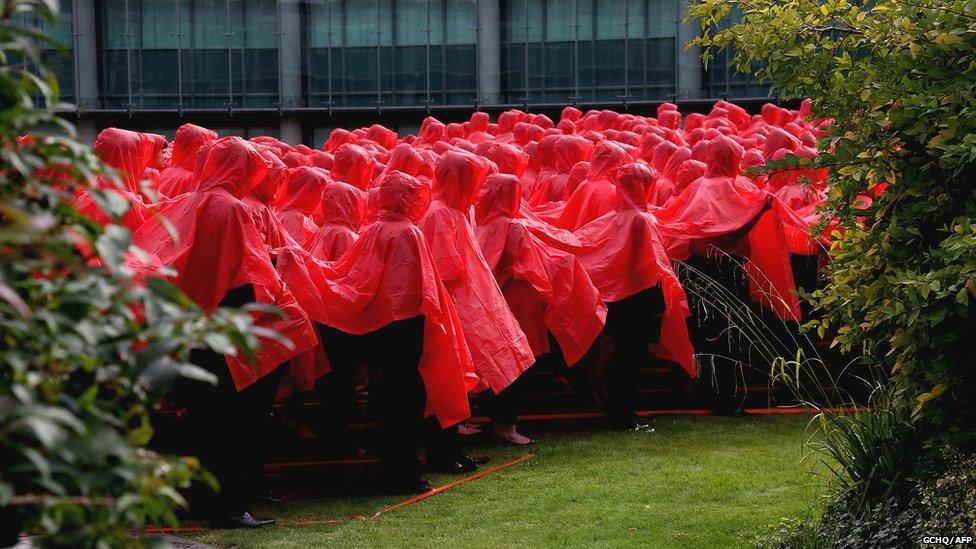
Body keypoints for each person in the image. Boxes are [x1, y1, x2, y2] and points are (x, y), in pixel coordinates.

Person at [132, 136, 318, 528]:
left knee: (209, 422)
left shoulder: (192, 201)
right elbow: (245, 271)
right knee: (232, 423)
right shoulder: (230, 207)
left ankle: (208, 500)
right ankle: (228, 506)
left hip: (197, 326)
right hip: (228, 328)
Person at [276, 170, 475, 493]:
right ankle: (403, 475)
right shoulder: (408, 232)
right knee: (405, 405)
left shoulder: (374, 230)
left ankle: (397, 472)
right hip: (406, 330)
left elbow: (352, 276)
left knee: (390, 402)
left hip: (383, 330)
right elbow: (420, 289)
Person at [418, 150, 535, 466]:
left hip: (468, 305)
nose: (477, 188)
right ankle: (443, 452)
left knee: (460, 379)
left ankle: (452, 449)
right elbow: (444, 268)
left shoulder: (454, 212)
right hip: (453, 307)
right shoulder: (440, 213)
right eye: (471, 179)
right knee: (448, 380)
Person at [475, 173, 607, 444]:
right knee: (518, 364)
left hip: (495, 301)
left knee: (499, 362)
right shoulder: (515, 228)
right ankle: (506, 426)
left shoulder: (482, 226)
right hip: (518, 302)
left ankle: (497, 420)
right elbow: (532, 267)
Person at [573, 162, 696, 428]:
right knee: (630, 358)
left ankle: (620, 412)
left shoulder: (615, 217)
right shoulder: (641, 219)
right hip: (638, 298)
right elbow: (647, 263)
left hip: (621, 298)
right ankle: (623, 415)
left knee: (622, 355)